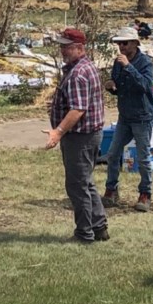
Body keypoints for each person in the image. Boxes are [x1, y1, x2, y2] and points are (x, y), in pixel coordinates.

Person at [45, 28, 107, 243]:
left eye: (67, 47)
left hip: (80, 138)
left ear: (80, 48)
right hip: (90, 135)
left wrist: (58, 132)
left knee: (77, 186)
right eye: (61, 46)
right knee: (86, 182)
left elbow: (77, 109)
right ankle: (99, 227)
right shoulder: (86, 68)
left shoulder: (78, 74)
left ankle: (84, 233)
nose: (63, 50)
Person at [102, 26, 153, 212]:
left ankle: (145, 193)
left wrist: (129, 67)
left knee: (143, 157)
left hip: (142, 116)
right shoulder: (118, 62)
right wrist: (111, 86)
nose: (121, 47)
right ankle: (111, 189)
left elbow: (145, 86)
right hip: (125, 116)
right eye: (118, 43)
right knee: (113, 153)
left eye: (124, 43)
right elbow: (120, 87)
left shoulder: (145, 63)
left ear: (134, 43)